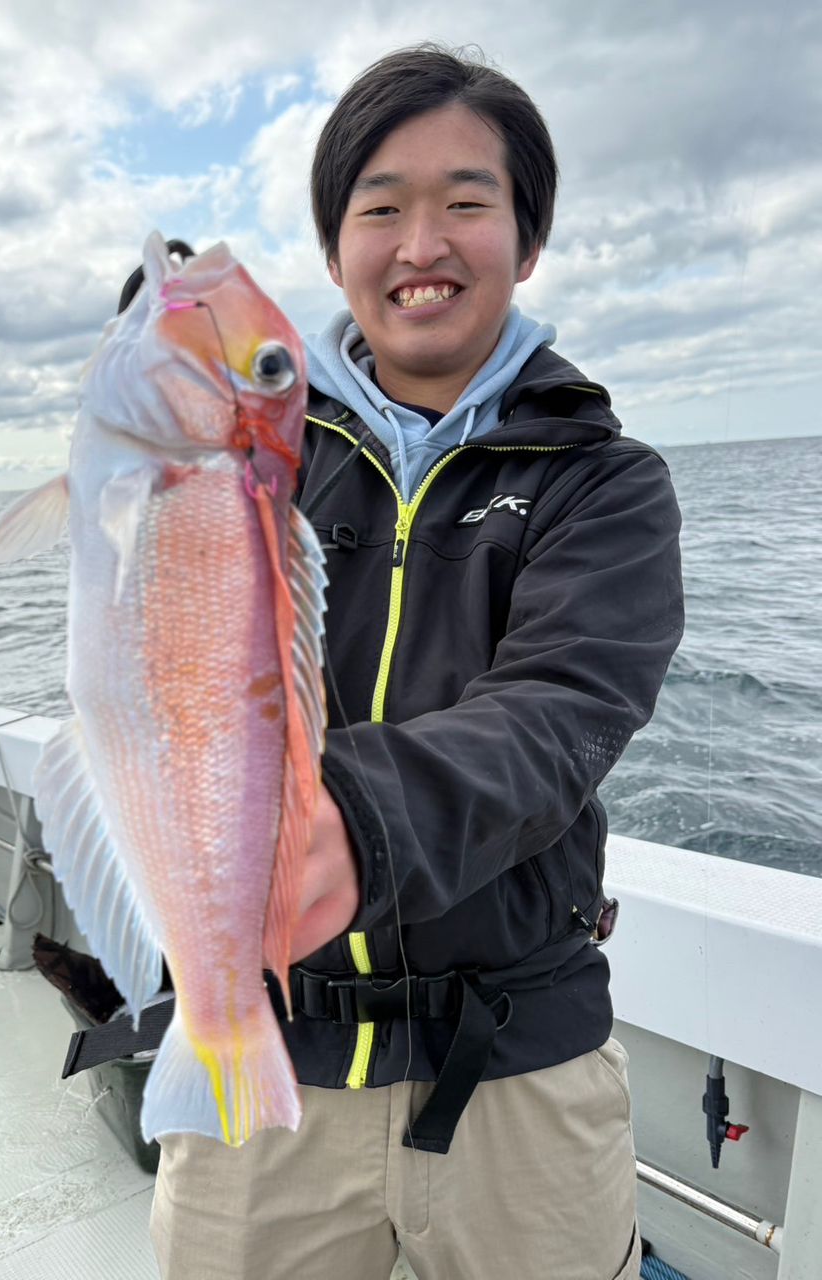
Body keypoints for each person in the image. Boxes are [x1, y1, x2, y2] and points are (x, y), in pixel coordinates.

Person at [150, 44, 683, 1280]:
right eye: (381, 206)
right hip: (267, 1052)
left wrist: (356, 824)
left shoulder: (604, 482)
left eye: (466, 201)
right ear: (336, 249)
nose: (421, 242)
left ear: (528, 237)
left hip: (518, 1067)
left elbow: (564, 708)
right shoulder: (253, 470)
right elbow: (172, 671)